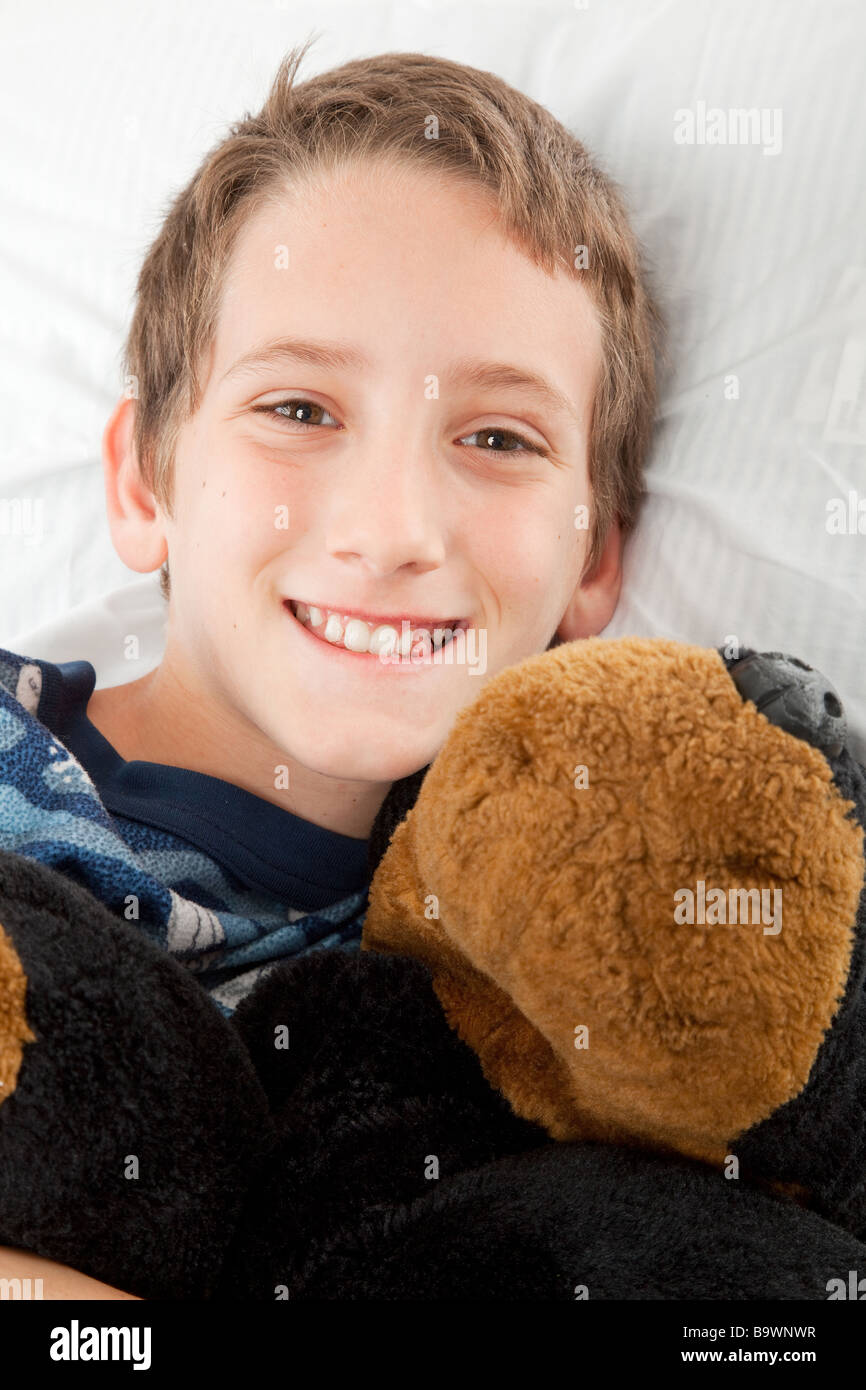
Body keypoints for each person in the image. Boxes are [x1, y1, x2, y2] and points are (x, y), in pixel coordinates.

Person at [0, 38, 661, 1297]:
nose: (392, 527)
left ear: (591, 565)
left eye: (497, 436)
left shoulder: (503, 997)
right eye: (299, 409)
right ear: (147, 480)